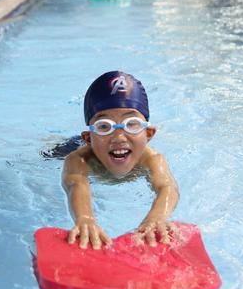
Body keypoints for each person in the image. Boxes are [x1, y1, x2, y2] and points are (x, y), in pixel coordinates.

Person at [63, 71, 179, 250]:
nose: (118, 136)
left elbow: (167, 187)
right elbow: (76, 184)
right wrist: (85, 219)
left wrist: (157, 217)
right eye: (104, 126)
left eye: (131, 124)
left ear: (148, 134)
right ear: (88, 138)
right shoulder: (79, 158)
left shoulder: (152, 159)